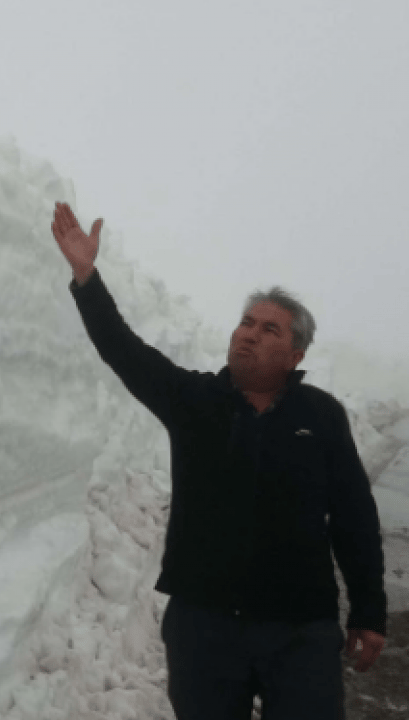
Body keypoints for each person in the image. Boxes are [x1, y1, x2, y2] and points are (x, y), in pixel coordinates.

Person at [49, 202, 387, 719]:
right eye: (246, 323)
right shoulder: (194, 401)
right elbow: (123, 349)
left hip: (300, 631)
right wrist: (86, 277)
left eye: (269, 329)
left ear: (296, 354)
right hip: (203, 627)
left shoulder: (320, 415)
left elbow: (354, 517)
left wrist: (368, 610)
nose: (249, 333)